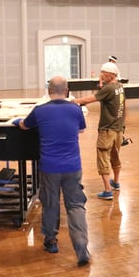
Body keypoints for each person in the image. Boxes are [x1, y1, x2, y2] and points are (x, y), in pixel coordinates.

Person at [13, 76, 90, 266]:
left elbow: (24, 125)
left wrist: (18, 121)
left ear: (48, 91)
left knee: (50, 203)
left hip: (49, 166)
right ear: (67, 90)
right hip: (73, 166)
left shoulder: (40, 110)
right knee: (76, 205)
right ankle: (81, 246)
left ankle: (50, 241)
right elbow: (81, 130)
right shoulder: (75, 109)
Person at [74, 62, 125, 200]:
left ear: (112, 74)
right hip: (118, 128)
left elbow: (90, 99)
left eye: (104, 73)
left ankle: (107, 190)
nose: (101, 75)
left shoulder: (108, 89)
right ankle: (116, 182)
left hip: (107, 129)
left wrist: (71, 101)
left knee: (103, 157)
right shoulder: (120, 87)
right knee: (115, 156)